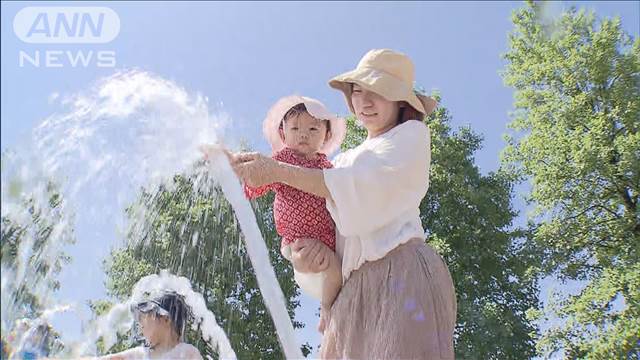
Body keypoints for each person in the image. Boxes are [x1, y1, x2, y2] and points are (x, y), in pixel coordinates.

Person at [228, 49, 457, 359]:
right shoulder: (344, 160)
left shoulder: (410, 136)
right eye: (358, 91)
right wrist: (305, 260)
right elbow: (328, 224)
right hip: (348, 293)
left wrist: (276, 170)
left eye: (378, 92)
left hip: (400, 275)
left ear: (402, 100)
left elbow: (359, 194)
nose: (364, 102)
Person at [206, 95, 346, 332]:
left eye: (313, 128)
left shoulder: (327, 167)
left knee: (335, 272)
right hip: (297, 241)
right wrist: (238, 169)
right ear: (283, 133)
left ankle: (327, 309)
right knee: (319, 266)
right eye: (295, 128)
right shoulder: (282, 160)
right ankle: (327, 308)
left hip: (327, 239)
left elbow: (341, 194)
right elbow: (257, 180)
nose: (303, 134)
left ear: (326, 135)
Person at [99, 292, 202, 360]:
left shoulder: (187, 352)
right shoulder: (140, 354)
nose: (140, 325)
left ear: (165, 319)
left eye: (142, 317)